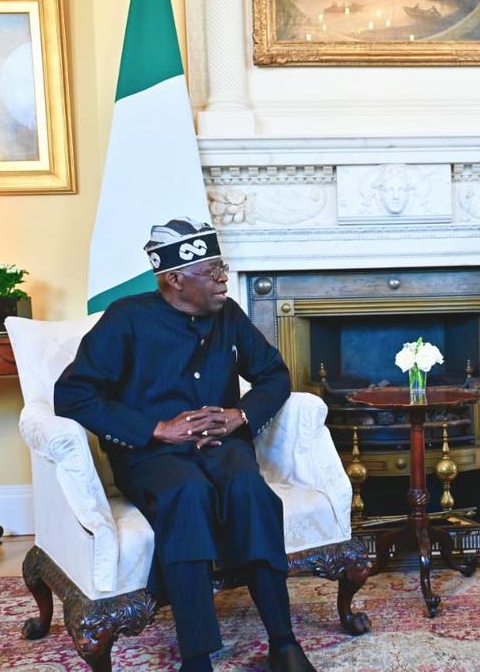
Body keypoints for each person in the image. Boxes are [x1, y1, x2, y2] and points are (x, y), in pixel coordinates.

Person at [54, 219, 314, 672]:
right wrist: (156, 428)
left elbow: (274, 374)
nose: (223, 279)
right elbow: (72, 394)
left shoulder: (229, 315)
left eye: (222, 268)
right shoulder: (126, 318)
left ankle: (283, 642)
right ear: (175, 279)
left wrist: (239, 415)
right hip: (149, 455)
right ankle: (196, 657)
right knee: (187, 495)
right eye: (212, 271)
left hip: (222, 446)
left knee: (251, 492)